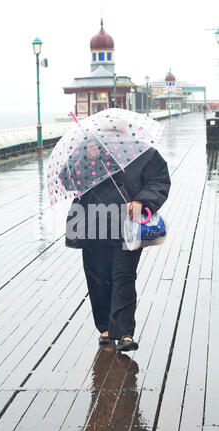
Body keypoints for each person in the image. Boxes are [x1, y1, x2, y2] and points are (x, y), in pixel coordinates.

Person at [61, 130, 171, 352]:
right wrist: (85, 157)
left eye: (115, 132)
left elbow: (159, 180)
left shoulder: (141, 152)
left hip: (127, 225)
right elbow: (67, 180)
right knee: (98, 277)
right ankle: (105, 328)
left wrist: (142, 201)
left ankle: (124, 333)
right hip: (92, 222)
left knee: (124, 277)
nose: (110, 136)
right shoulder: (86, 150)